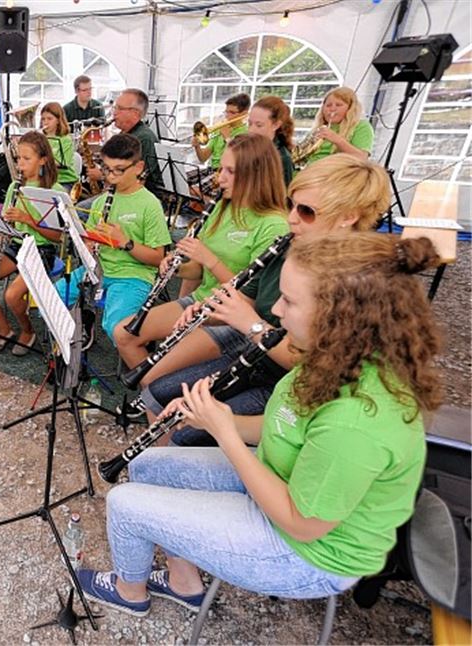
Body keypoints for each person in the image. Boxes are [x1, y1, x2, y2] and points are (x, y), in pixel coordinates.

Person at [77, 232, 441, 618]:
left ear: (340, 316)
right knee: (148, 464)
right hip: (281, 480)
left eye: (289, 301)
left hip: (306, 553)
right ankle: (184, 582)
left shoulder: (357, 422)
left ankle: (129, 591)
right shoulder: (334, 353)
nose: (277, 311)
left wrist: (224, 434)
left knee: (124, 503)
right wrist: (220, 418)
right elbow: (285, 424)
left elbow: (302, 524)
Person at [137, 155, 391, 447]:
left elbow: (306, 362)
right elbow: (245, 299)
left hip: (290, 384)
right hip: (258, 355)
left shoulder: (355, 281)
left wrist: (252, 324)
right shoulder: (289, 245)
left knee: (187, 432)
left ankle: (179, 467)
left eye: (307, 211)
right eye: (291, 205)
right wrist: (209, 312)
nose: (292, 218)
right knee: (160, 391)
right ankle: (163, 463)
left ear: (349, 216)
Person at [113, 133, 289, 375]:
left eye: (230, 171)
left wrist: (209, 259)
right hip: (200, 302)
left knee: (153, 374)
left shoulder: (273, 225)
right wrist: (177, 268)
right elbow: (198, 269)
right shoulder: (223, 207)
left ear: (255, 175)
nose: (220, 178)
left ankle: (155, 396)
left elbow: (253, 296)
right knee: (123, 335)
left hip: (232, 317)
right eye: (220, 169)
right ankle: (152, 397)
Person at [54, 134, 170, 340]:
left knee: (115, 327)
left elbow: (157, 258)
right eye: (107, 169)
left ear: (139, 167)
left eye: (119, 170)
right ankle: (78, 335)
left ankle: (136, 355)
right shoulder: (101, 202)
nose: (111, 177)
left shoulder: (150, 204)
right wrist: (88, 244)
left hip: (133, 275)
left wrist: (125, 242)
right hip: (99, 268)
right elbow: (91, 237)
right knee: (54, 297)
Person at [0, 131, 64, 355]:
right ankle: (4, 330)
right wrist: (2, 229)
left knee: (11, 295)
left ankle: (28, 331)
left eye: (26, 159)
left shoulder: (54, 192)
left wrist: (28, 220)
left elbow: (58, 237)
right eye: (18, 158)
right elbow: (7, 223)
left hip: (42, 249)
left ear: (43, 160)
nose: (20, 164)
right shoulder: (14, 187)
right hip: (17, 245)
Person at [85, 89, 162, 196]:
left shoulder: (144, 138)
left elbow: (138, 178)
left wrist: (102, 176)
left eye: (120, 108)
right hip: (119, 191)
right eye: (115, 108)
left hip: (135, 196)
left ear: (135, 113)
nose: (114, 113)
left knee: (81, 210)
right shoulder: (125, 134)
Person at [305, 86, 374, 163]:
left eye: (338, 105)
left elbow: (361, 158)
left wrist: (336, 139)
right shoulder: (320, 127)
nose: (332, 109)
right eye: (328, 105)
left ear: (350, 108)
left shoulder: (361, 126)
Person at [192, 93, 250, 170]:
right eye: (226, 112)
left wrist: (227, 138)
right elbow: (203, 158)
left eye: (232, 112)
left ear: (244, 113)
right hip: (211, 170)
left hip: (231, 173)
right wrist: (197, 147)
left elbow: (239, 160)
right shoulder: (220, 128)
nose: (227, 116)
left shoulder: (247, 133)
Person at [248, 95, 294, 190]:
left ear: (276, 125)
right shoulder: (249, 148)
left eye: (259, 125)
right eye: (250, 123)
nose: (251, 130)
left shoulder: (283, 158)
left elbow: (283, 199)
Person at [39, 101, 78, 190]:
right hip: (47, 179)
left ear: (58, 120)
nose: (45, 122)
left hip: (65, 180)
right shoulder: (41, 138)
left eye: (49, 119)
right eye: (43, 119)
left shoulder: (65, 139)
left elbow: (65, 163)